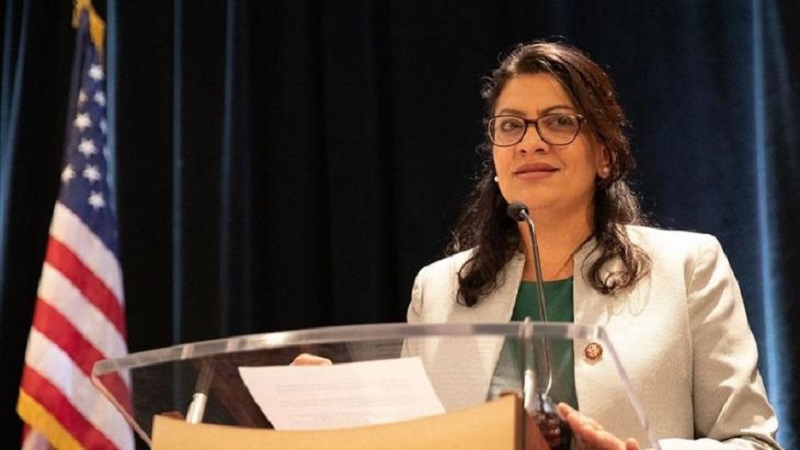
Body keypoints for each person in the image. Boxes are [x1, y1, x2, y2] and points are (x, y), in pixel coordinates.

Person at [405, 39, 782, 450]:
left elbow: (753, 442)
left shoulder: (688, 267)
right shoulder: (438, 288)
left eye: (559, 121)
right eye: (511, 126)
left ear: (604, 155)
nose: (530, 142)